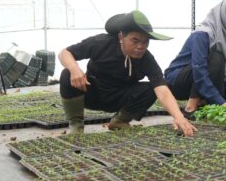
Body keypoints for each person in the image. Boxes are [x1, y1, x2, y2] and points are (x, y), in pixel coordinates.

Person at [58, 10, 196, 135]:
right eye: (134, 40)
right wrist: (74, 69)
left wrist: (179, 117)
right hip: (92, 93)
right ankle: (76, 125)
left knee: (149, 88)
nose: (140, 46)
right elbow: (65, 53)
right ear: (121, 37)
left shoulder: (146, 59)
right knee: (67, 73)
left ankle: (119, 121)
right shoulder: (101, 43)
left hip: (119, 98)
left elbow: (162, 89)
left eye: (145, 42)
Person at [165, 0, 226, 118]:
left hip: (206, 78)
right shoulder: (202, 35)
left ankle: (204, 103)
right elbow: (200, 71)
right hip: (179, 81)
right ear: (225, 16)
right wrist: (221, 102)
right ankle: (190, 107)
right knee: (216, 58)